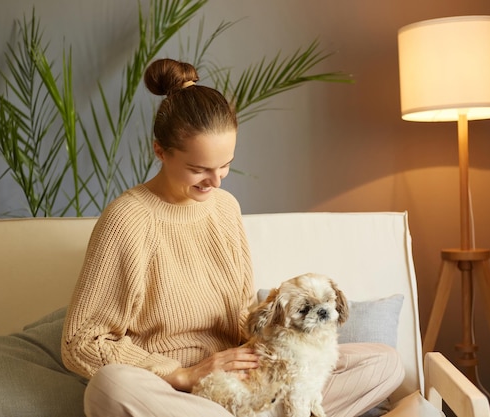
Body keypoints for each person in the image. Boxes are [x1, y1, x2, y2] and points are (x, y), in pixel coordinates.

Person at [61, 58, 405, 417]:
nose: (216, 181)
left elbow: (242, 313)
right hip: (174, 393)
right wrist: (182, 374)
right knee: (110, 387)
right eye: (199, 170)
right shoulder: (127, 219)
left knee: (385, 363)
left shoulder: (225, 208)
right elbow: (82, 343)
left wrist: (276, 353)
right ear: (160, 151)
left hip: (247, 385)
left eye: (225, 165)